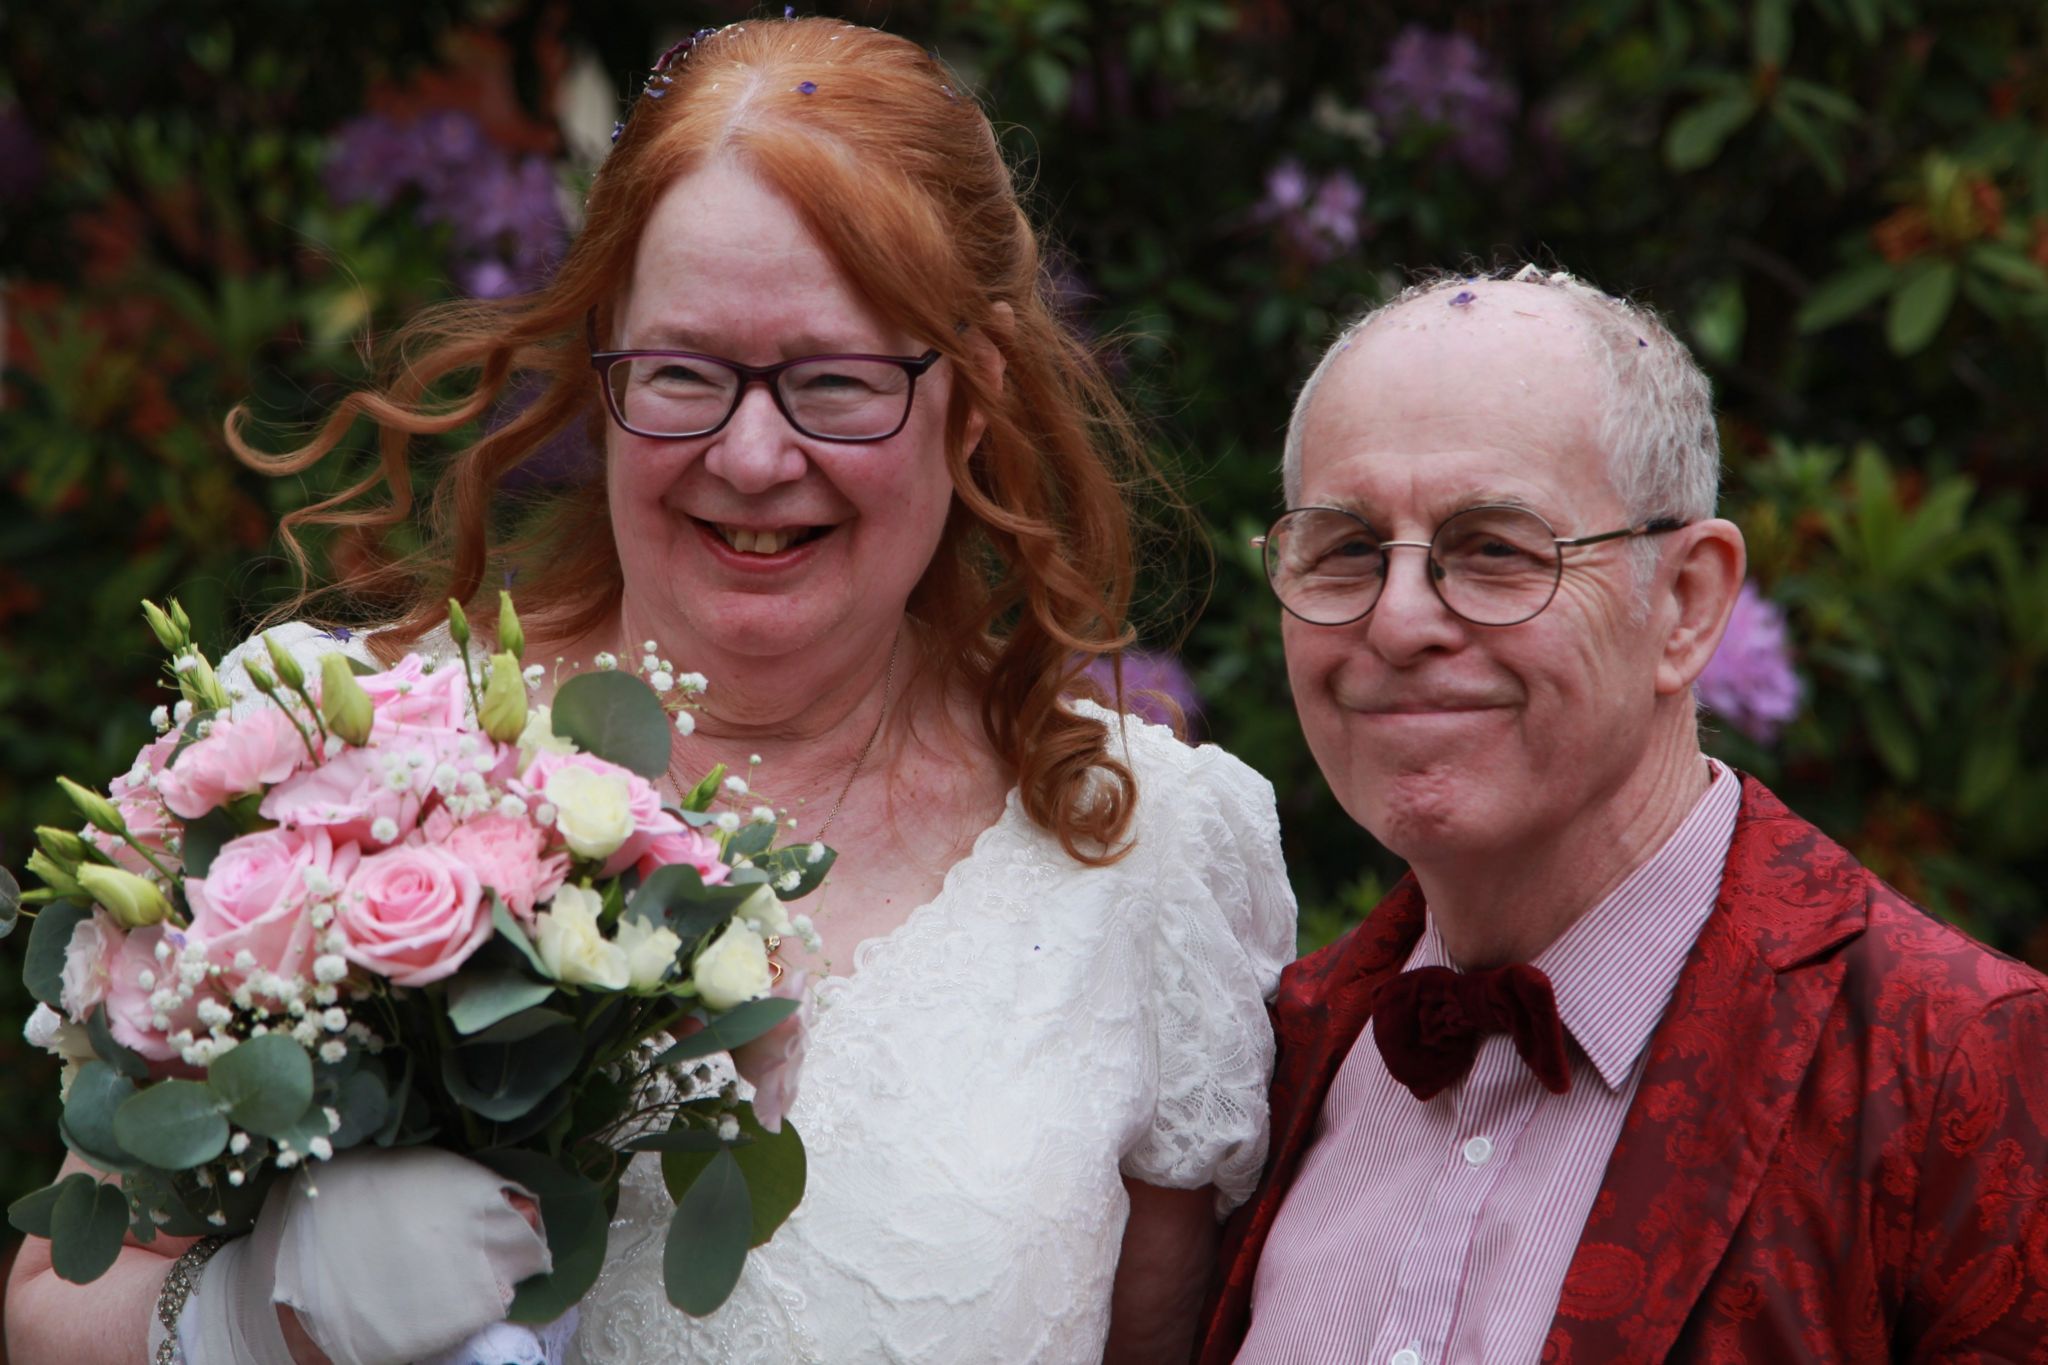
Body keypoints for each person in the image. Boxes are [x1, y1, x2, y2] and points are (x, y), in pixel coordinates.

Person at [4, 17, 1295, 1364]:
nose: (748, 457)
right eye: (680, 372)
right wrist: (255, 1312)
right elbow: (50, 1308)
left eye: (834, 383)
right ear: (603, 376)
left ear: (968, 400)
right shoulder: (340, 762)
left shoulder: (1145, 852)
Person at [1198, 264, 2048, 1363]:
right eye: (1347, 549)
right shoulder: (1273, 1055)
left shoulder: (1957, 1063)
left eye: (1495, 548)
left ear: (1686, 603)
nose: (1398, 620)